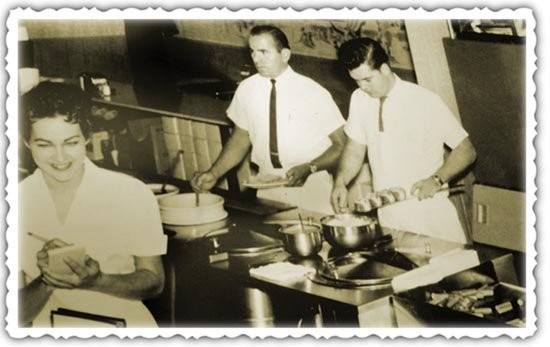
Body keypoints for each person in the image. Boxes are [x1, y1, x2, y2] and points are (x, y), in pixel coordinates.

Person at [18, 82, 167, 327]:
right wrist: (48, 279)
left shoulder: (130, 193)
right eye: (44, 145)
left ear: (87, 137)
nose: (60, 157)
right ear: (26, 142)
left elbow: (154, 282)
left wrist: (97, 280)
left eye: (71, 142)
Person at [331, 38, 477, 244]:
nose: (362, 86)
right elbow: (355, 149)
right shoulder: (359, 99)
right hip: (390, 218)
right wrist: (340, 182)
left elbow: (466, 150)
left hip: (428, 214)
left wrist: (436, 180)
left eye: (367, 79)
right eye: (356, 81)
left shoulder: (423, 100)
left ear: (384, 68)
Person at [191, 25, 346, 214]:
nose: (256, 59)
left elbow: (341, 144)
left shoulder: (313, 92)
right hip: (267, 184)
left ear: (285, 54)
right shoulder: (247, 89)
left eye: (264, 52)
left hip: (310, 184)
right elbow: (241, 138)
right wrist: (214, 173)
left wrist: (310, 168)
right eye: (253, 52)